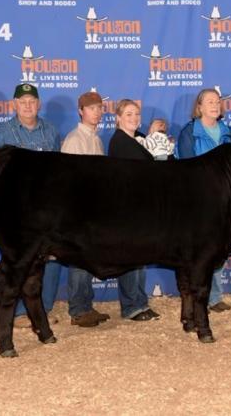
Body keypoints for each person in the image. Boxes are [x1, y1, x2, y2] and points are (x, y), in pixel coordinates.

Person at [0, 83, 61, 328]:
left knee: (47, 260)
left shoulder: (50, 131)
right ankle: (17, 313)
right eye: (23, 102)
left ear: (38, 104)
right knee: (17, 260)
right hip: (15, 209)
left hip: (45, 208)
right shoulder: (2, 134)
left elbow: (58, 173)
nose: (28, 106)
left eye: (32, 101)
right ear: (14, 105)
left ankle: (42, 311)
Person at [177, 88, 231, 312]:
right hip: (199, 199)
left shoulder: (228, 132)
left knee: (218, 247)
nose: (215, 105)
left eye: (217, 101)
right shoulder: (189, 132)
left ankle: (215, 296)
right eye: (209, 101)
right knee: (199, 249)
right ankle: (197, 296)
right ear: (199, 107)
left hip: (224, 199)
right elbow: (186, 168)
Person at [60, 91, 111, 327]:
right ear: (81, 111)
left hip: (93, 210)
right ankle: (78, 310)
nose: (97, 112)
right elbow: (67, 180)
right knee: (80, 259)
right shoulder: (74, 140)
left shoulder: (96, 139)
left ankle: (86, 306)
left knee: (87, 258)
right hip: (77, 210)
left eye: (99, 108)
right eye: (91, 108)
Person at [107, 99, 160, 322]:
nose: (134, 118)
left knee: (139, 255)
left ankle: (140, 302)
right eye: (128, 114)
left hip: (140, 206)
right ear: (118, 118)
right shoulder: (120, 142)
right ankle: (131, 306)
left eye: (136, 114)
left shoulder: (137, 139)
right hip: (127, 208)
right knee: (130, 256)